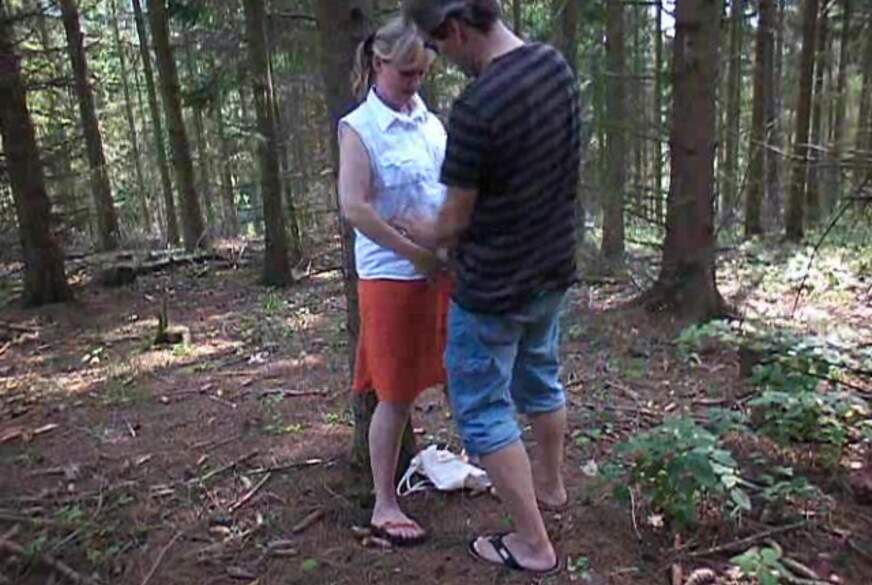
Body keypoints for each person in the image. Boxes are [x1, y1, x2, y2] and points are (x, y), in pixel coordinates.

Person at [401, 0, 581, 574]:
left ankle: (532, 544)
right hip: (551, 269)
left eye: (438, 44)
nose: (440, 56)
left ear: (456, 29)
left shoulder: (477, 106)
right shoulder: (554, 66)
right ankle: (550, 487)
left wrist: (419, 227)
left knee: (481, 407)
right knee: (540, 375)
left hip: (495, 286)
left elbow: (452, 221)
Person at [337, 17, 449, 546]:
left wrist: (445, 246)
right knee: (396, 392)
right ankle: (384, 503)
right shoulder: (359, 128)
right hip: (391, 277)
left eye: (422, 73)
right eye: (406, 73)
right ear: (378, 64)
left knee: (462, 372)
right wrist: (413, 252)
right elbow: (355, 207)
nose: (414, 83)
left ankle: (490, 467)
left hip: (439, 269)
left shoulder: (430, 122)